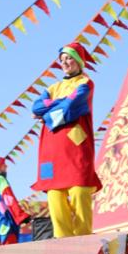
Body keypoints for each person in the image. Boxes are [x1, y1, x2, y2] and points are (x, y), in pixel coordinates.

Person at [31, 41, 102, 238]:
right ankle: (62, 240)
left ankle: (83, 237)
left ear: (79, 61)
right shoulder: (53, 87)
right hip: (50, 149)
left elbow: (72, 107)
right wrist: (56, 103)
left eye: (69, 58)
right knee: (54, 194)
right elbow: (35, 107)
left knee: (80, 190)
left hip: (75, 146)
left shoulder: (85, 83)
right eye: (62, 59)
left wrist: (46, 114)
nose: (65, 62)